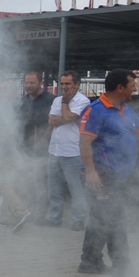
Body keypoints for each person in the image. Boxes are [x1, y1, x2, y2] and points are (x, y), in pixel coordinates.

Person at [77, 69, 139, 277]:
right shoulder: (96, 110)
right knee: (114, 220)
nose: (135, 89)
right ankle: (121, 267)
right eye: (132, 85)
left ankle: (90, 261)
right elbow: (84, 142)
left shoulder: (126, 109)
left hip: (119, 177)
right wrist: (91, 172)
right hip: (102, 174)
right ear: (120, 88)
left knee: (103, 218)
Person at [43, 70, 91, 230]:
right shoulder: (57, 100)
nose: (63, 86)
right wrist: (64, 113)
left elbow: (70, 117)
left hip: (73, 151)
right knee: (54, 186)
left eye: (67, 84)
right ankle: (54, 217)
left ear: (76, 85)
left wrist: (64, 105)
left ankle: (78, 219)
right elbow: (51, 120)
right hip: (55, 149)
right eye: (62, 83)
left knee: (75, 187)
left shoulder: (82, 101)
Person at [20, 71, 53, 219]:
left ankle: (40, 213)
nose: (28, 85)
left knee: (40, 182)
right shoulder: (23, 100)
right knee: (26, 181)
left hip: (43, 148)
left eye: (32, 82)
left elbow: (52, 124)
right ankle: (28, 210)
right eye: (26, 83)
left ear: (40, 83)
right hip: (25, 148)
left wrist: (43, 139)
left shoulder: (51, 100)